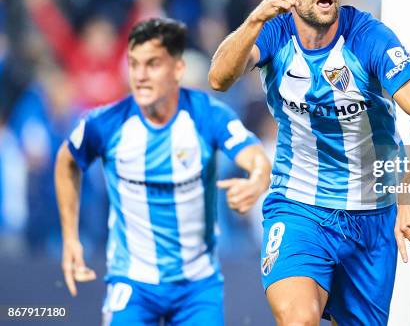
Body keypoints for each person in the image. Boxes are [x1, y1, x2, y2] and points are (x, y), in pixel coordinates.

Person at [208, 0, 410, 325]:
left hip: (372, 219)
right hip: (300, 206)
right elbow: (219, 77)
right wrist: (256, 17)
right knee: (299, 318)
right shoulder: (273, 33)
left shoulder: (369, 38)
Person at [55, 18, 271, 325]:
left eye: (153, 64)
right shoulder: (107, 123)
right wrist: (70, 237)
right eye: (134, 64)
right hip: (132, 282)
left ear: (178, 70)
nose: (141, 76)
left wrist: (257, 180)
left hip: (197, 287)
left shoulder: (205, 114)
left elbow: (256, 156)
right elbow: (67, 161)